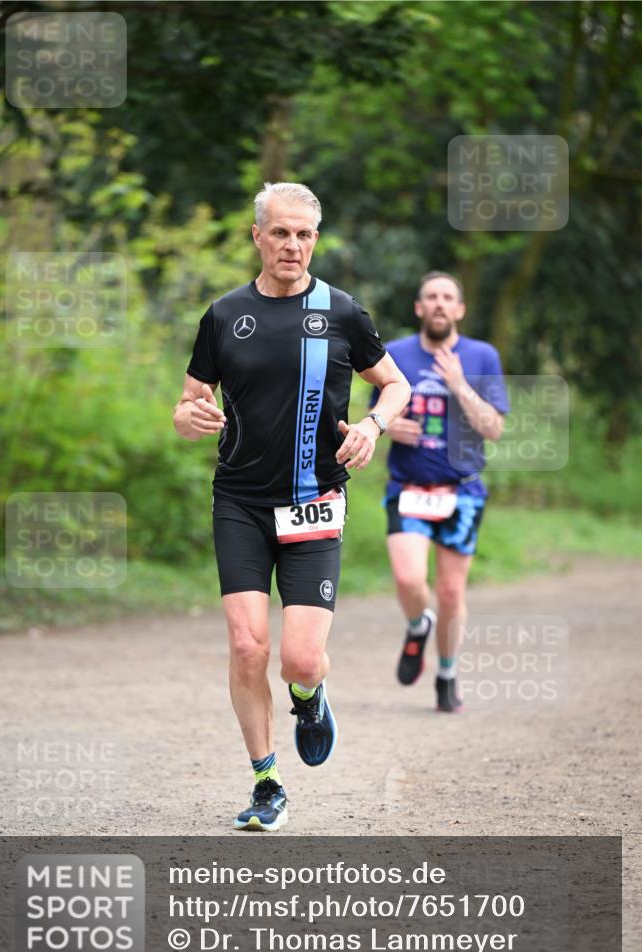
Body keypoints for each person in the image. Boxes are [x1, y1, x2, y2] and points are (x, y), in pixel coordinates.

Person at [173, 182, 410, 831]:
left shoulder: (341, 312)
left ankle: (308, 696)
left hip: (314, 502)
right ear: (257, 236)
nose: (292, 245)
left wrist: (371, 426)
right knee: (248, 645)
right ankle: (266, 782)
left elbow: (394, 384)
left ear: (315, 238)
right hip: (241, 502)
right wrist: (188, 417)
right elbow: (189, 398)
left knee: (299, 659)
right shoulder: (224, 315)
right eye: (280, 232)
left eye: (304, 234)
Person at [372, 271, 509, 712]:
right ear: (418, 307)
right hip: (408, 486)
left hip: (462, 491)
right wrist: (389, 424)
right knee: (409, 579)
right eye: (431, 297)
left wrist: (459, 385)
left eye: (448, 297)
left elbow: (494, 429)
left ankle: (447, 675)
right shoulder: (394, 353)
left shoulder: (481, 355)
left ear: (460, 309)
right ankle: (418, 625)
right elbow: (372, 415)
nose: (439, 304)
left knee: (451, 592)